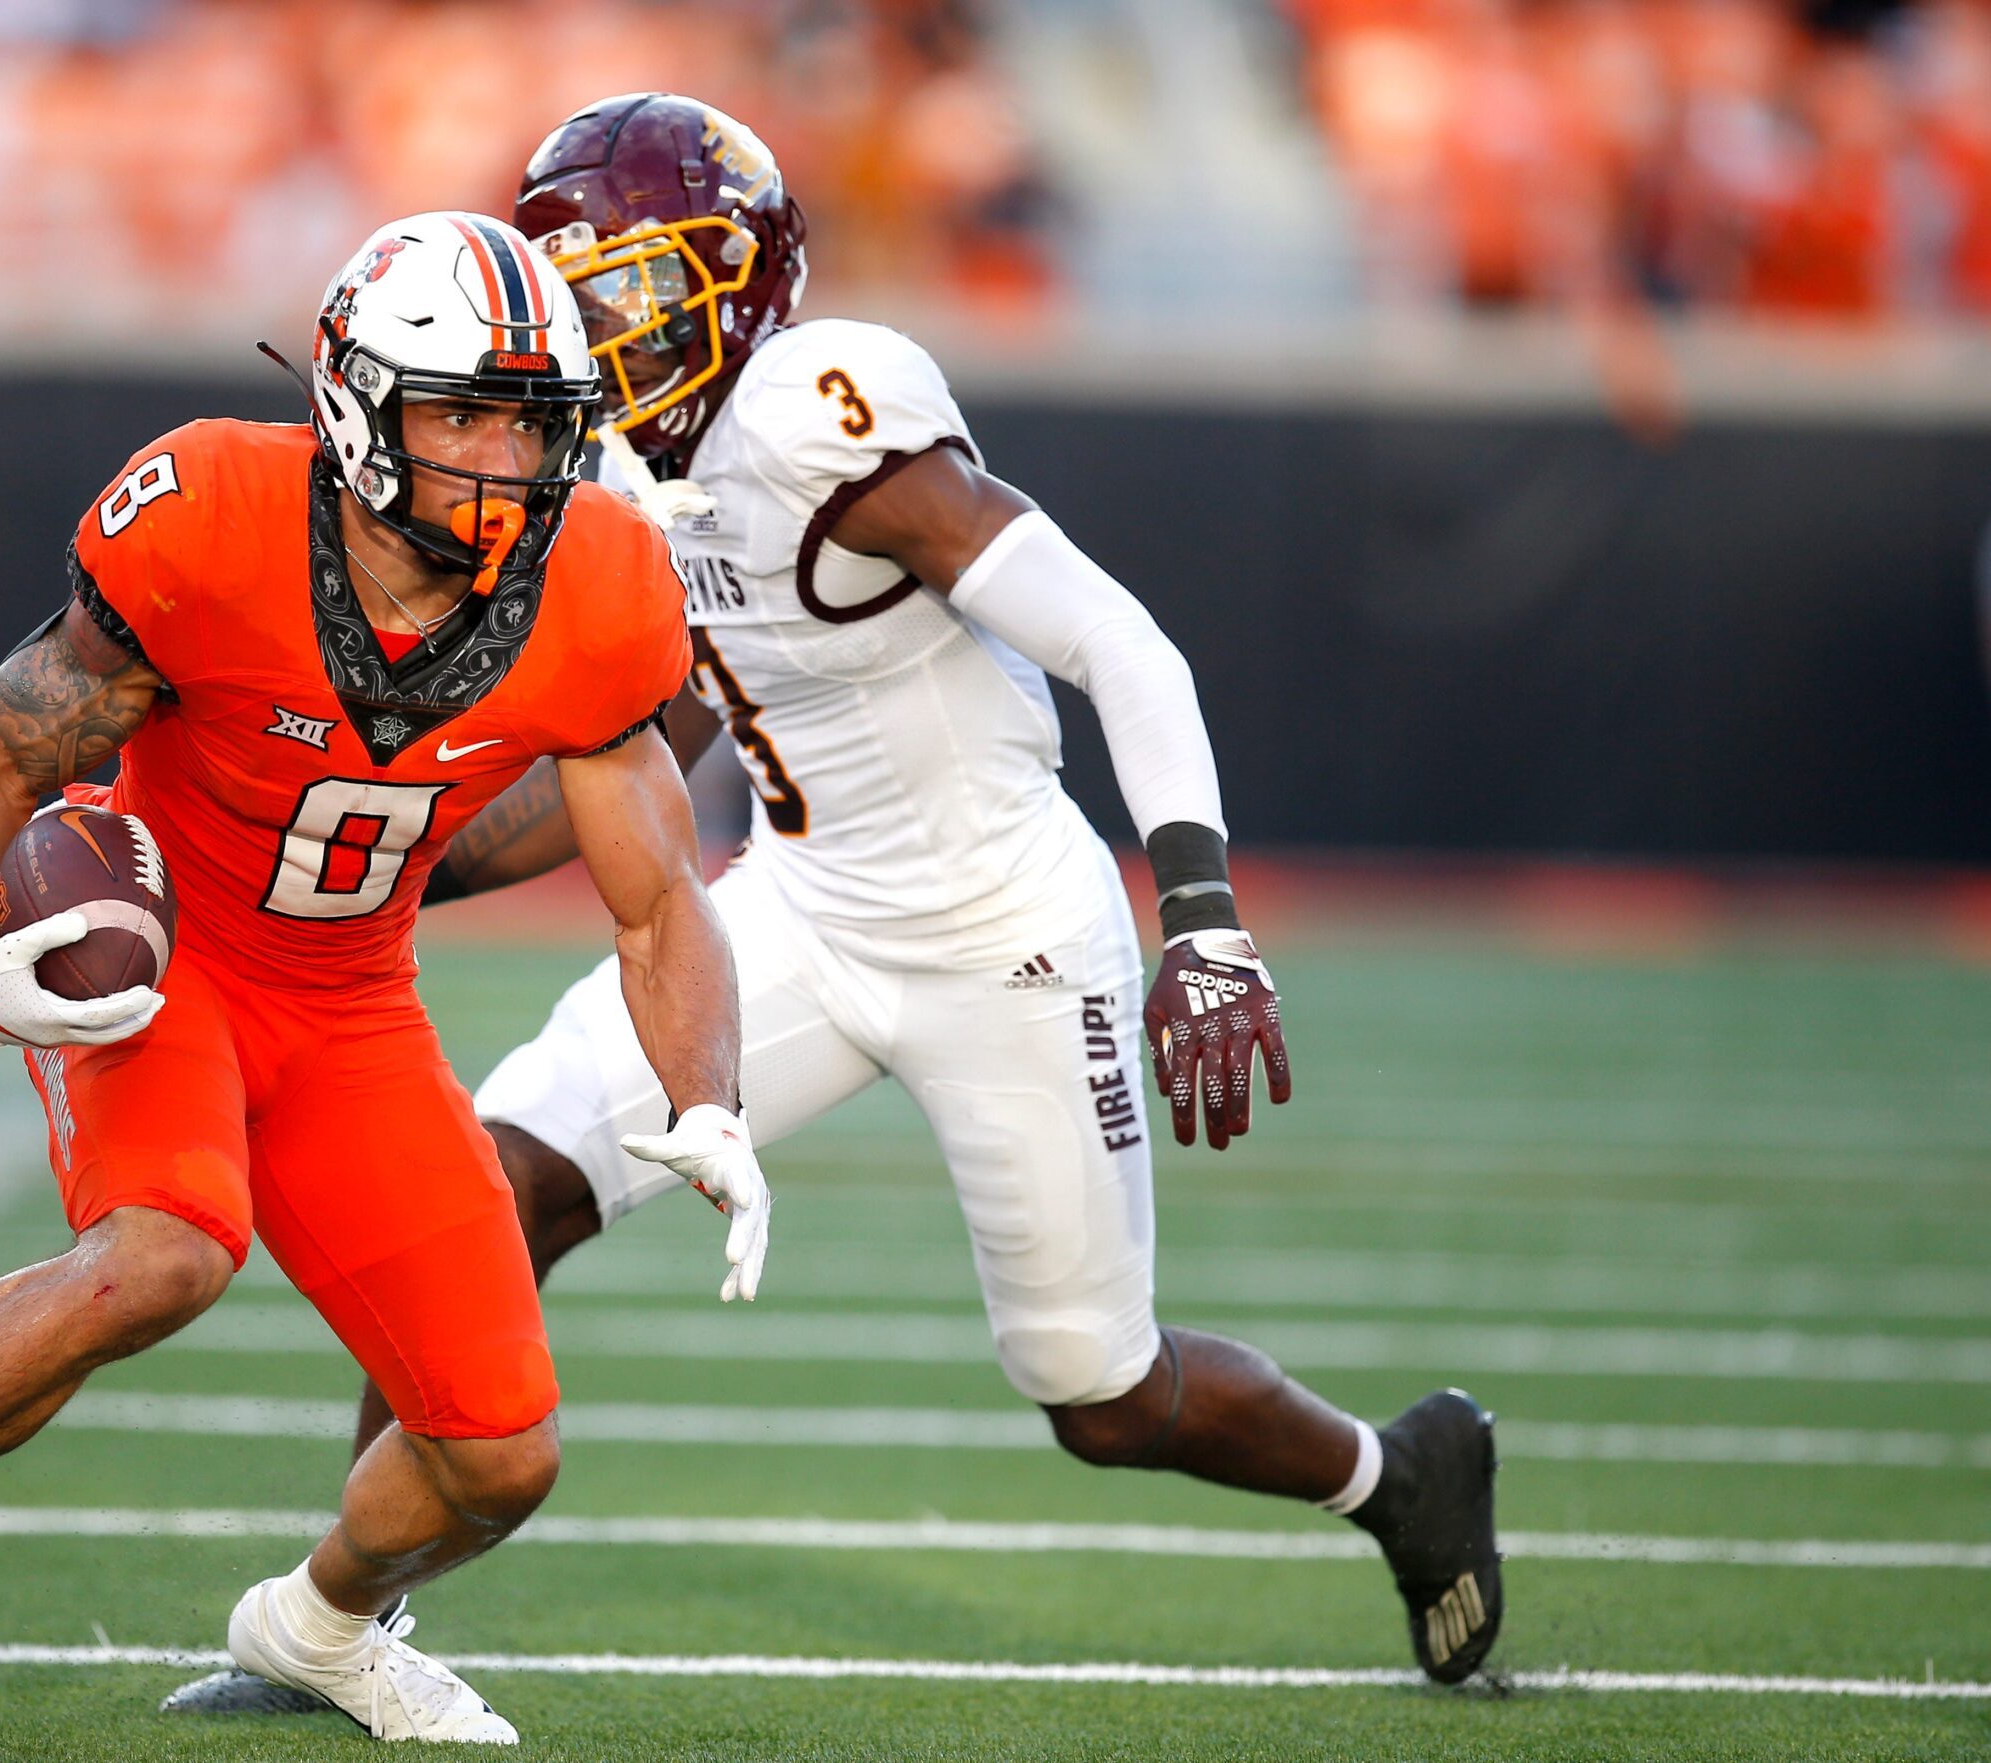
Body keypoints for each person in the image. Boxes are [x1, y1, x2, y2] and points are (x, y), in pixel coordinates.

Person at [378, 95, 1504, 1688]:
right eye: (582, 300)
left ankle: (1403, 1481)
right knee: (494, 1181)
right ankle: (344, 1618)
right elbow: (660, 731)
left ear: (731, 276)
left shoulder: (813, 413)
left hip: (1009, 930)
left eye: (629, 290)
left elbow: (1127, 647)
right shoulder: (623, 467)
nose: (601, 335)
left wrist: (1204, 916)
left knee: (1101, 1394)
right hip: (806, 906)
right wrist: (395, 866)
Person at [0, 211, 776, 1744]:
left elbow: (656, 899)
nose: (503, 455)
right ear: (361, 406)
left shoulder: (601, 578)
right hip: (169, 955)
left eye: (531, 418)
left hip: (356, 994)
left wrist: (710, 1099)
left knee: (503, 1451)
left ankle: (317, 1628)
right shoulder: (215, 509)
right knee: (168, 1247)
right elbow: (11, 735)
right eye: (463, 411)